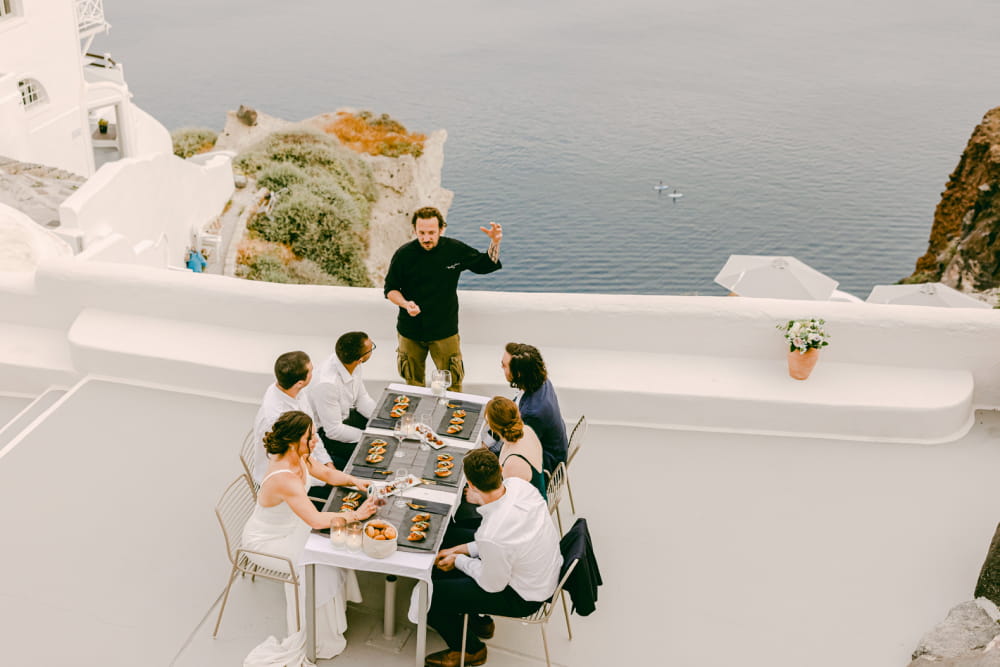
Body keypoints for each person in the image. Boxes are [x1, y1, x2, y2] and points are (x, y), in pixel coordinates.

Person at [242, 410, 376, 665]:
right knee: (320, 561)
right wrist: (356, 515)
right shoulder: (285, 478)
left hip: (292, 527)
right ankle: (319, 634)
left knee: (331, 547)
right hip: (267, 542)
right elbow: (315, 520)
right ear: (294, 441)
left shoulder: (301, 455)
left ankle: (333, 618)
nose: (315, 440)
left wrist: (356, 482)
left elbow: (328, 475)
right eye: (310, 436)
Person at [425, 449, 562, 667]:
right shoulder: (520, 486)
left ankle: (471, 650)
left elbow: (492, 584)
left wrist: (458, 560)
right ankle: (479, 623)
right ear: (500, 470)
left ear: (470, 485)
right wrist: (458, 549)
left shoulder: (492, 534)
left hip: (524, 596)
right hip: (541, 569)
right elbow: (502, 542)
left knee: (430, 595)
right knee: (449, 536)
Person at [384, 206, 503, 393]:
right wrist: (405, 304)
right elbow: (390, 289)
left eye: (431, 232)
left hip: (445, 330)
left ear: (441, 229)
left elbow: (485, 265)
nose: (426, 238)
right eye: (421, 232)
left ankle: (452, 421)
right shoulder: (403, 255)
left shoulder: (454, 249)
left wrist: (495, 242)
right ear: (414, 230)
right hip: (410, 330)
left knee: (453, 385)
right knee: (413, 385)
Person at [252, 351, 369, 499]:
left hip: (310, 460)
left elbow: (313, 438)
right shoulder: (278, 420)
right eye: (311, 370)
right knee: (353, 497)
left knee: (359, 470)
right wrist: (328, 477)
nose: (315, 373)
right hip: (289, 483)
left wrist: (327, 463)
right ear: (300, 382)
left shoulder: (293, 390)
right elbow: (296, 463)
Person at [485, 343, 568, 473]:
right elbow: (513, 409)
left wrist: (484, 451)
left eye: (504, 365)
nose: (501, 367)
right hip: (548, 448)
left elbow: (513, 447)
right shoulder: (540, 380)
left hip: (545, 466)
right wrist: (487, 441)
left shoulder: (533, 412)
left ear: (518, 374)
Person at [310, 332, 377, 470]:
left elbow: (362, 399)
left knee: (387, 431)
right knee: (374, 455)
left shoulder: (353, 364)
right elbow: (333, 431)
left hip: (344, 419)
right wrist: (368, 437)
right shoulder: (327, 384)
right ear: (360, 358)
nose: (372, 349)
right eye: (371, 348)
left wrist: (380, 420)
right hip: (325, 434)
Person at [485, 396, 547, 501]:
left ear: (492, 427)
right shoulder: (526, 430)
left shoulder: (513, 463)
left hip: (529, 513)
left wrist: (478, 495)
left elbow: (509, 506)